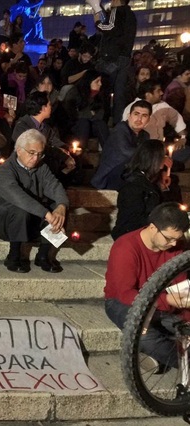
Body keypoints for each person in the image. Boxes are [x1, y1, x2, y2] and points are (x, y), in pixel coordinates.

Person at [105, 202, 190, 369]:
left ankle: (161, 359)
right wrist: (168, 301)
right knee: (143, 336)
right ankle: (181, 362)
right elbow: (126, 293)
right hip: (123, 302)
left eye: (177, 239)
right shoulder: (126, 247)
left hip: (164, 305)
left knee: (182, 327)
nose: (173, 244)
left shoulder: (175, 248)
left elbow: (180, 287)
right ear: (152, 228)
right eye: (169, 238)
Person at [0, 129, 69, 273]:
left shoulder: (41, 167)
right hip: (6, 222)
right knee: (20, 209)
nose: (36, 158)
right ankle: (14, 255)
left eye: (40, 154)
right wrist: (47, 214)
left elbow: (55, 186)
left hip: (32, 220)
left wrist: (61, 206)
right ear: (19, 150)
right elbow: (19, 198)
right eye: (32, 153)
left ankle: (43, 256)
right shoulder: (5, 170)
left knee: (59, 210)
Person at [85, 0, 137, 124]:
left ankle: (101, 120)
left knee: (103, 90)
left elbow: (108, 27)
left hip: (112, 58)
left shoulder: (117, 11)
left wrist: (97, 21)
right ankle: (118, 123)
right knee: (119, 95)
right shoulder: (130, 15)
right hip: (124, 58)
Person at [111, 139, 173, 240]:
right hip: (132, 237)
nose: (165, 159)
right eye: (162, 156)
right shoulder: (133, 185)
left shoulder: (151, 179)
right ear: (154, 158)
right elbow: (133, 221)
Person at [12, 91, 77, 184]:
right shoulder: (22, 125)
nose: (51, 107)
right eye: (49, 104)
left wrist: (67, 149)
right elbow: (35, 147)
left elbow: (55, 141)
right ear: (43, 108)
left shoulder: (45, 127)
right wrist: (62, 155)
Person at [91, 100, 152, 190]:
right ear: (129, 116)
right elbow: (126, 151)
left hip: (129, 173)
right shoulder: (121, 129)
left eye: (144, 116)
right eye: (136, 114)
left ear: (148, 120)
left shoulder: (145, 135)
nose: (139, 119)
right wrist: (153, 154)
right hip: (110, 175)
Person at [122, 79, 187, 152]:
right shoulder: (132, 109)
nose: (162, 93)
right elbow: (126, 134)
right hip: (141, 151)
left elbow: (176, 117)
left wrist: (182, 138)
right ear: (148, 94)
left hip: (159, 148)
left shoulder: (162, 105)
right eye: (158, 91)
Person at [61, 69, 109, 149]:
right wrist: (91, 113)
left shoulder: (99, 95)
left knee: (101, 124)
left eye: (100, 81)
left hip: (92, 125)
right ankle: (80, 153)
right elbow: (73, 114)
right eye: (97, 81)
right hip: (75, 125)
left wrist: (85, 113)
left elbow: (100, 114)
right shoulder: (75, 92)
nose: (100, 84)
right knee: (83, 123)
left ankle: (109, 153)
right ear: (89, 81)